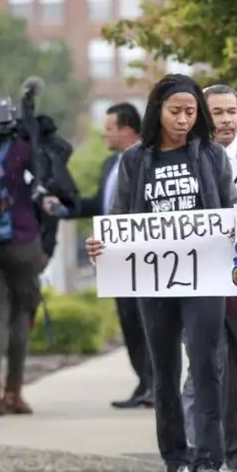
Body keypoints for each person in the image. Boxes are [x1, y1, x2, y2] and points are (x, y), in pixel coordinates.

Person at [85, 74, 237, 472]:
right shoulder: (134, 160)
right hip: (153, 281)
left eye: (191, 112)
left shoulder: (211, 157)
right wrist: (102, 246)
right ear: (158, 111)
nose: (184, 119)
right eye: (176, 111)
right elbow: (118, 219)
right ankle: (173, 457)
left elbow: (230, 210)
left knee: (207, 364)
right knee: (164, 369)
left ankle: (208, 459)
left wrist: (235, 234)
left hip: (204, 278)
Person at [178, 84, 237, 472]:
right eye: (218, 112)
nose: (226, 120)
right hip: (205, 281)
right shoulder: (186, 160)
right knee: (205, 369)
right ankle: (199, 453)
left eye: (232, 111)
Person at [0, 91, 64, 416]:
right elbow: (45, 180)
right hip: (23, 241)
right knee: (20, 317)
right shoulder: (22, 151)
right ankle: (13, 392)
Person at [71, 102, 151, 409]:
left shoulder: (147, 159)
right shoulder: (110, 165)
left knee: (147, 323)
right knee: (128, 321)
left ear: (127, 129)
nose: (105, 134)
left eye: (109, 128)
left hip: (140, 256)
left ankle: (156, 385)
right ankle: (144, 382)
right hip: (114, 258)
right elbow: (100, 204)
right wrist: (66, 207)